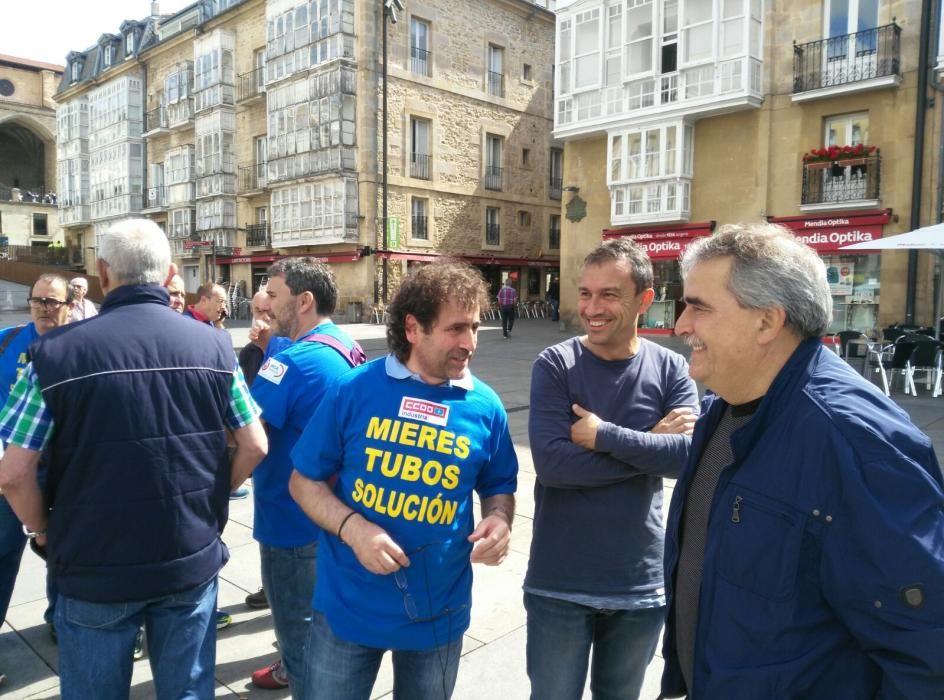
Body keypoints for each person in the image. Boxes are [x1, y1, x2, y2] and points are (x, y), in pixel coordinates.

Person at [662, 223, 944, 698]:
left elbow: (927, 651)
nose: (680, 325)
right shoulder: (722, 409)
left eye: (699, 307)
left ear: (767, 322)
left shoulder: (853, 440)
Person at [0, 218, 268, 700]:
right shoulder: (212, 344)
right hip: (188, 556)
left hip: (92, 564)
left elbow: (14, 473)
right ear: (168, 275)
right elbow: (254, 445)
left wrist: (42, 529)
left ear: (103, 272)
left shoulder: (54, 354)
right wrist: (213, 497)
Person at [289, 260, 518, 700]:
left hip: (438, 613)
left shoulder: (486, 406)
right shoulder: (354, 390)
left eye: (474, 326)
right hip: (348, 610)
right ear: (413, 328)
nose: (470, 342)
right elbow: (303, 481)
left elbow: (498, 485)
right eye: (456, 329)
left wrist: (500, 521)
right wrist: (354, 529)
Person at [525, 239, 697, 700]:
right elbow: (554, 464)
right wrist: (650, 440)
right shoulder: (556, 365)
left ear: (644, 299)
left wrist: (606, 435)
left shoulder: (672, 368)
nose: (592, 308)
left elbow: (687, 459)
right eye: (585, 293)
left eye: (608, 295)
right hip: (559, 581)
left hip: (640, 584)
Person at [248, 258, 362, 693]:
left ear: (304, 300)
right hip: (332, 517)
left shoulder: (292, 362)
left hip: (288, 522)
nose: (266, 307)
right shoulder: (346, 345)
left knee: (298, 639)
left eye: (273, 296)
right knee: (325, 632)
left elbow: (243, 434)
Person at [0, 274, 71, 649]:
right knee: (3, 550)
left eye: (52, 301)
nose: (44, 307)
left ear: (69, 305)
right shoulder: (7, 341)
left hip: (63, 470)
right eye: (38, 300)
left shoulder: (78, 346)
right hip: (15, 466)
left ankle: (60, 618)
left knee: (61, 551)